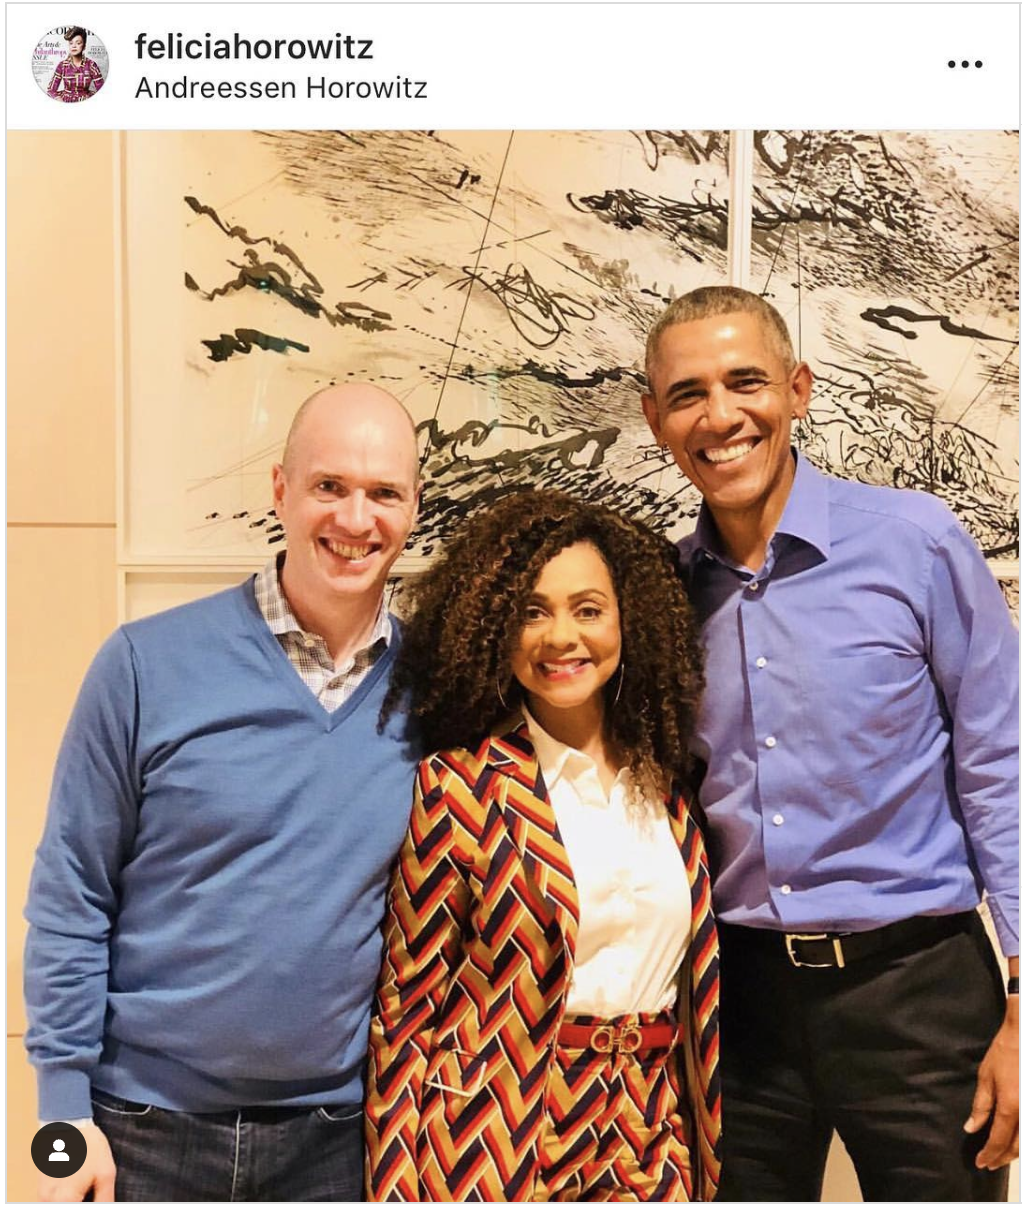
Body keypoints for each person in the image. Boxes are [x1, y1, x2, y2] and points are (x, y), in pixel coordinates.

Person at [641, 284, 1019, 1201]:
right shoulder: (660, 592)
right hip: (738, 1005)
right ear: (655, 420)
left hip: (919, 994)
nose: (720, 416)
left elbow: (1000, 765)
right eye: (687, 394)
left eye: (745, 382)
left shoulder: (915, 544)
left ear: (799, 390)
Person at [25, 384, 423, 1202]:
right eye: (329, 487)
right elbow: (72, 891)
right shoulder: (144, 664)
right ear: (280, 490)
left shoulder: (440, 690)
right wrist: (62, 1111)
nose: (356, 519)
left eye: (384, 492)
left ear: (415, 507)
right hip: (140, 1130)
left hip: (340, 1145)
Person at [366, 490, 721, 1202]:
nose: (562, 637)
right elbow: (407, 1014)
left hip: (652, 1136)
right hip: (492, 1137)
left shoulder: (671, 789)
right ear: (498, 626)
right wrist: (396, 1181)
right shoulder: (459, 789)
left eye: (588, 609)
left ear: (629, 621)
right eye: (533, 611)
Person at [47, 27, 104, 103]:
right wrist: (59, 99)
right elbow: (51, 90)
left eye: (78, 43)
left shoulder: (91, 65)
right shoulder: (62, 65)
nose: (74, 46)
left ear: (84, 46)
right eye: (71, 43)